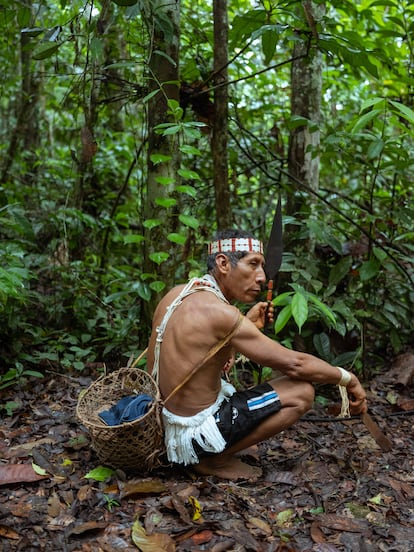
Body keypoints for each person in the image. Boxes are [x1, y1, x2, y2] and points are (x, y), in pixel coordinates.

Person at [147, 229, 368, 480]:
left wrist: (247, 322)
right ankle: (213, 461)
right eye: (253, 264)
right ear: (222, 263)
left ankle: (211, 448)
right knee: (302, 392)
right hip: (192, 439)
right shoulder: (222, 315)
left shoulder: (177, 294)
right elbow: (296, 364)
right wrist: (348, 378)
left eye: (262, 266)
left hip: (158, 426)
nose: (262, 276)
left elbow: (202, 353)